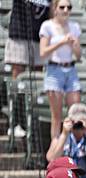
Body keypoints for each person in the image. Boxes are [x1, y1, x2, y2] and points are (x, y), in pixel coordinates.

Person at [4, 0, 50, 137]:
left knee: (37, 81)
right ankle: (15, 123)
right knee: (18, 80)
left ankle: (32, 122)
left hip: (39, 38)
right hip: (19, 34)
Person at [39, 0, 82, 141]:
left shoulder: (74, 27)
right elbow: (43, 52)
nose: (65, 10)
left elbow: (79, 55)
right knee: (56, 116)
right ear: (55, 9)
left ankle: (73, 149)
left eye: (68, 7)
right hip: (54, 69)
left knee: (75, 113)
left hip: (71, 69)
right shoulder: (47, 26)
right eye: (62, 7)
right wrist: (62, 42)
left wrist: (74, 44)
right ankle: (56, 151)